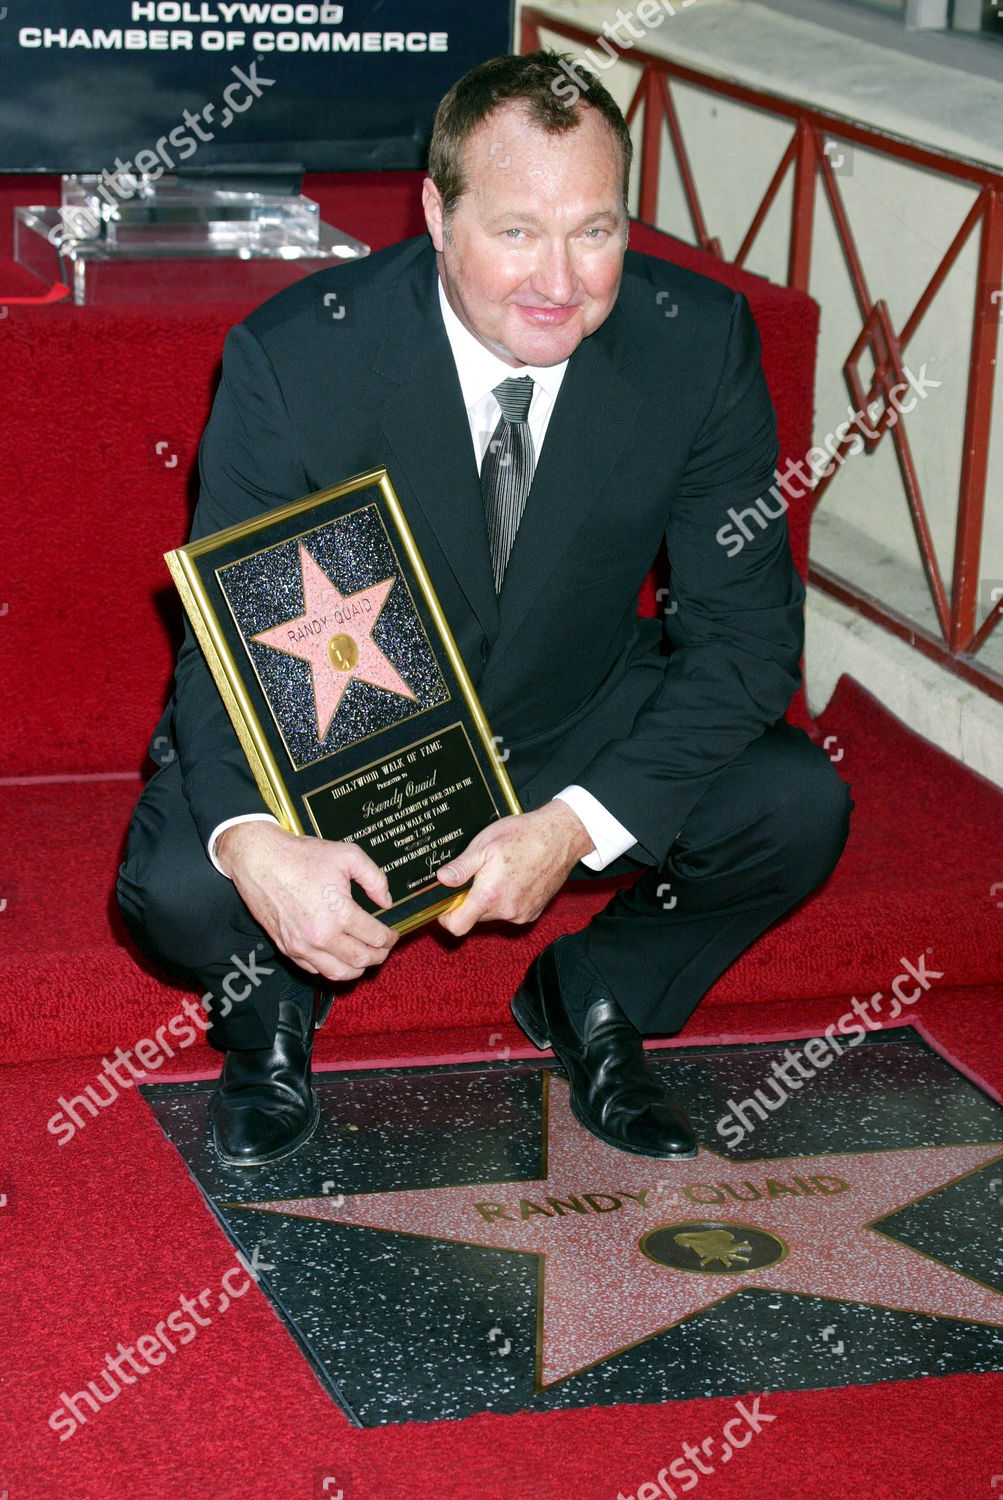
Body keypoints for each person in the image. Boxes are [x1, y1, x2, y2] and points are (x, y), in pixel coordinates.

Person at [117, 51, 851, 1170]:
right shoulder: (300, 357)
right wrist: (259, 843)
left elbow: (745, 641)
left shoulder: (696, 344)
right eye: (516, 232)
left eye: (594, 230)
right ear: (436, 215)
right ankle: (272, 1008)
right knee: (181, 885)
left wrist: (577, 823)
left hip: (571, 713)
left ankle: (594, 987)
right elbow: (230, 643)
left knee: (794, 805)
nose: (559, 280)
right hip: (347, 734)